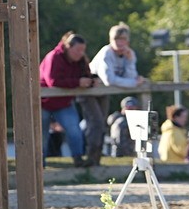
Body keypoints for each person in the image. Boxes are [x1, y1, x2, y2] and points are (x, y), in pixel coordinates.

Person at [39, 32, 98, 167]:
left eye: (83, 50)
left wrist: (91, 81)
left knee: (74, 131)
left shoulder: (81, 61)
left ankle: (78, 160)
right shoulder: (54, 57)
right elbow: (52, 81)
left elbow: (86, 75)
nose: (80, 53)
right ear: (68, 47)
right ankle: (39, 165)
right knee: (41, 136)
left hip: (64, 103)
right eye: (77, 50)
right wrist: (77, 82)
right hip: (44, 102)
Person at [89, 23, 146, 88]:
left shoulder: (129, 53)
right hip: (88, 91)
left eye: (123, 39)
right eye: (116, 38)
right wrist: (134, 82)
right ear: (110, 40)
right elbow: (109, 80)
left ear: (128, 41)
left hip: (107, 92)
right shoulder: (106, 53)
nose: (119, 42)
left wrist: (130, 61)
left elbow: (130, 77)